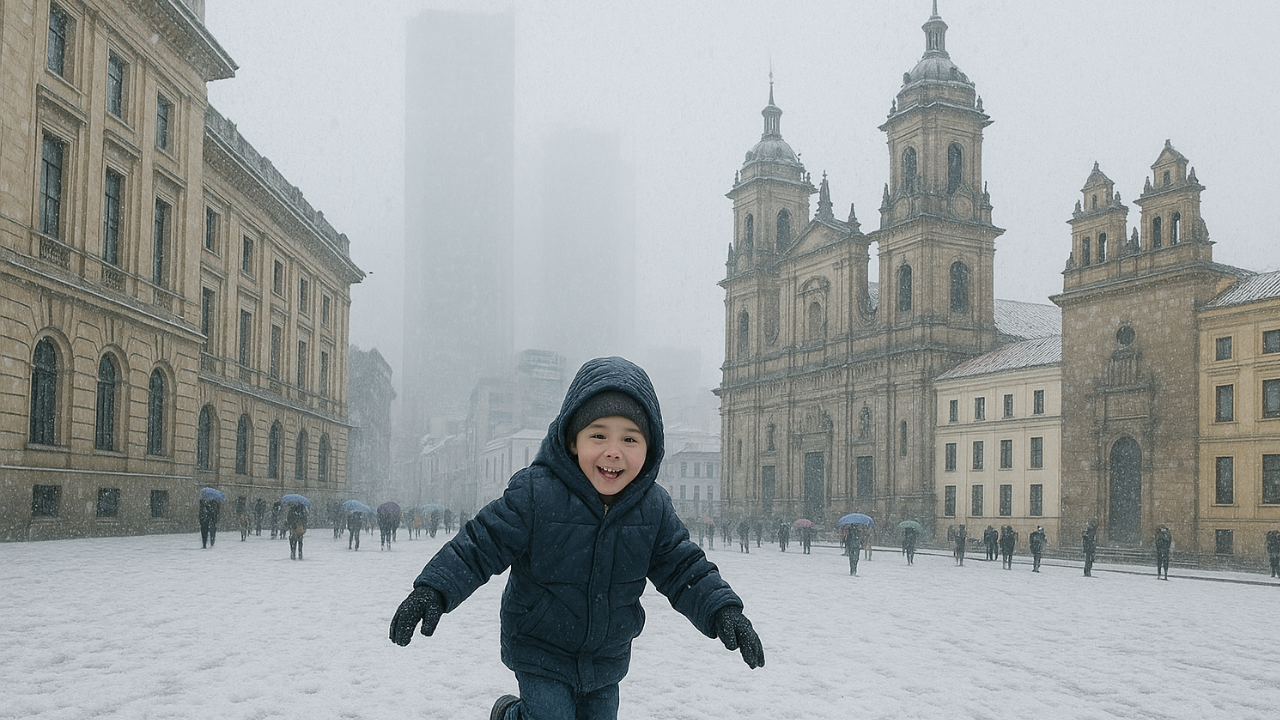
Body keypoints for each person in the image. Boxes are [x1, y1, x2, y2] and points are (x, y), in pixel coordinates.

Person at [388, 357, 764, 720]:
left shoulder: (653, 509)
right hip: (540, 645)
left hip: (606, 655)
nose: (613, 451)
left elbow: (685, 569)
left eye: (630, 439)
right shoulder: (537, 494)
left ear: (649, 449)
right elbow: (480, 544)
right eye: (598, 435)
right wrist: (434, 589)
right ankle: (510, 714)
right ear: (573, 441)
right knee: (550, 716)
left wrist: (722, 610)